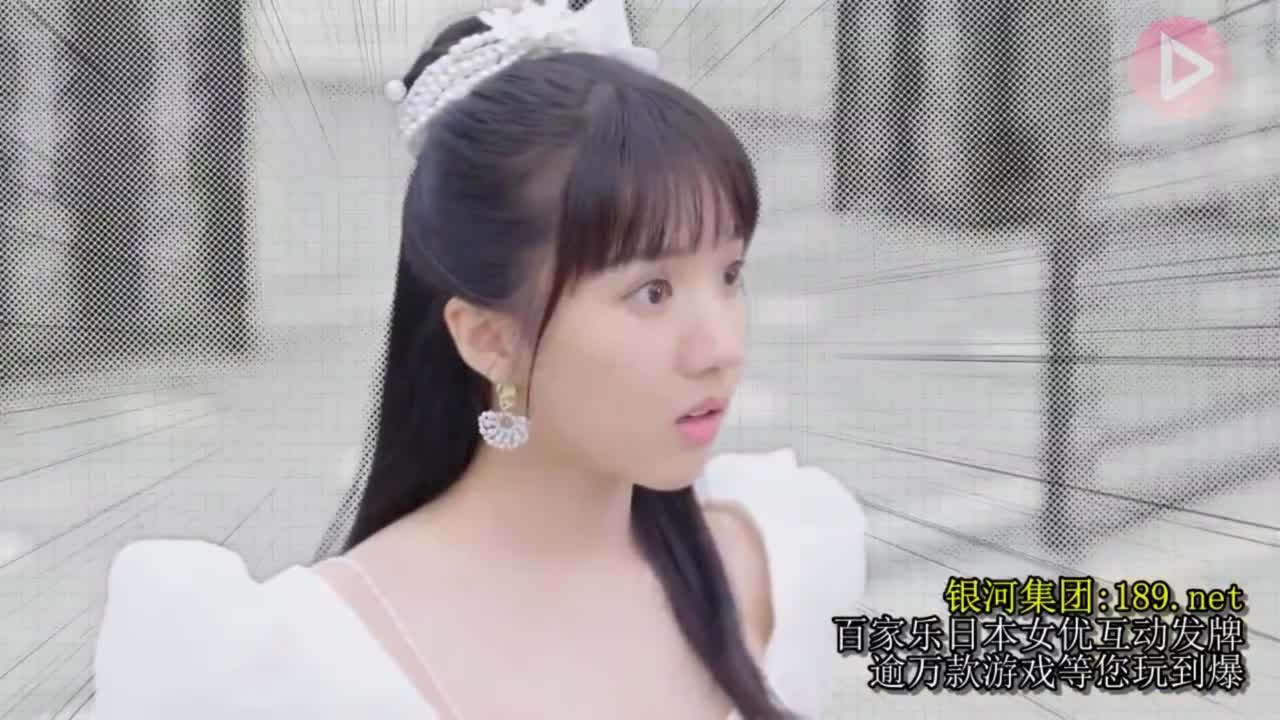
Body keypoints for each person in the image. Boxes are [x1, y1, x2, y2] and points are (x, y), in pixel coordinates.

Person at [91, 1, 867, 717]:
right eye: (652, 292)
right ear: (489, 338)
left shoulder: (776, 559)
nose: (720, 348)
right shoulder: (291, 670)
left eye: (729, 275)